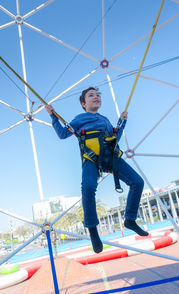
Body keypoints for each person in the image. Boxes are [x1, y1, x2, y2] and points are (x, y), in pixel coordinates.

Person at [45, 87, 148, 253]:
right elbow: (63, 133)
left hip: (111, 157)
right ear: (83, 104)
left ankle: (130, 219)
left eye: (98, 95)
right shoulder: (80, 119)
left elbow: (115, 138)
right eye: (91, 95)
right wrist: (53, 116)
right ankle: (92, 229)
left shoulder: (104, 119)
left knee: (137, 182)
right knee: (88, 187)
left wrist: (122, 123)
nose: (96, 97)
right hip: (91, 158)